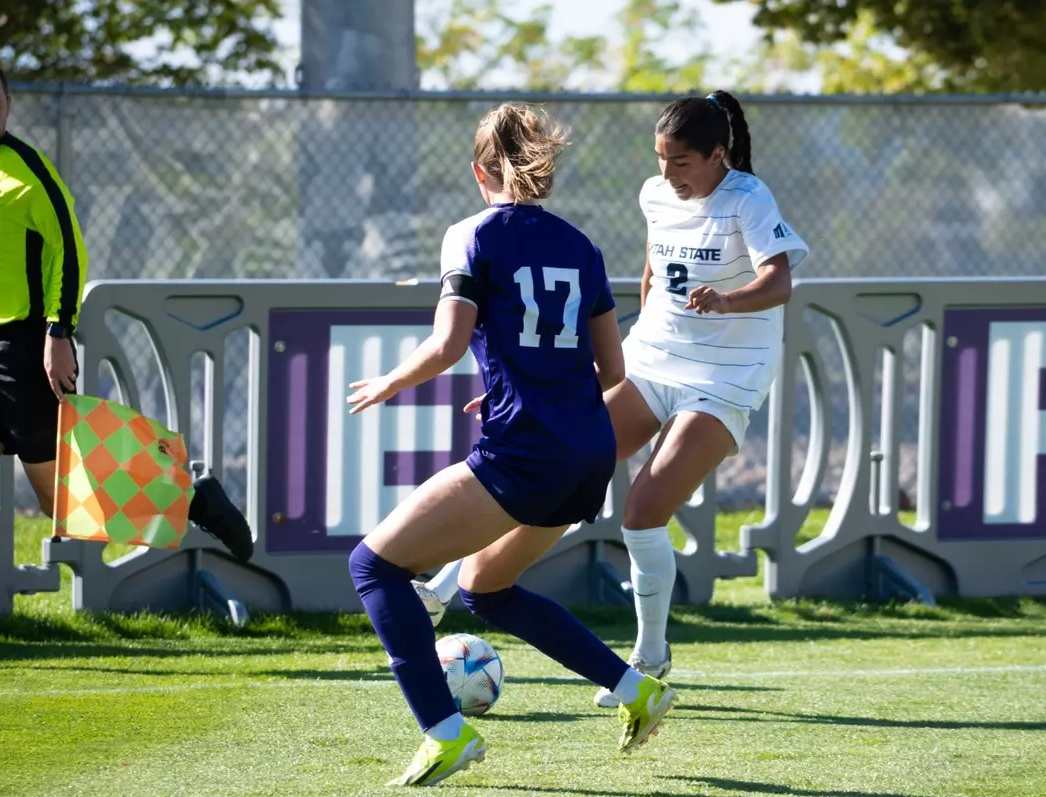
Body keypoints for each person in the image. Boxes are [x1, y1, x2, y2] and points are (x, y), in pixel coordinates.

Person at [0, 56, 254, 670]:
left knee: (69, 504)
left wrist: (59, 333)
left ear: (8, 108)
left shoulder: (28, 173)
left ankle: (191, 497)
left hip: (27, 351)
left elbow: (70, 255)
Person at [346, 102, 678, 788]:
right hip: (589, 448)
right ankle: (635, 689)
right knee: (486, 589)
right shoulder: (581, 245)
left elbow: (446, 344)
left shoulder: (469, 234)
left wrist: (387, 382)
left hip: (526, 449)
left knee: (374, 567)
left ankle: (445, 732)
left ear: (479, 170)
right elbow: (613, 371)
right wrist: (537, 384)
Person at [585, 89, 809, 706]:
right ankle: (448, 585)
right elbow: (654, 268)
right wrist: (635, 335)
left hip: (725, 376)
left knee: (642, 510)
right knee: (567, 458)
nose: (667, 173)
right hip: (655, 356)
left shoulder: (748, 197)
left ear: (718, 154)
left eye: (681, 161)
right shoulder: (654, 195)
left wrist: (728, 302)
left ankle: (650, 656)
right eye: (660, 158)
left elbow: (779, 280)